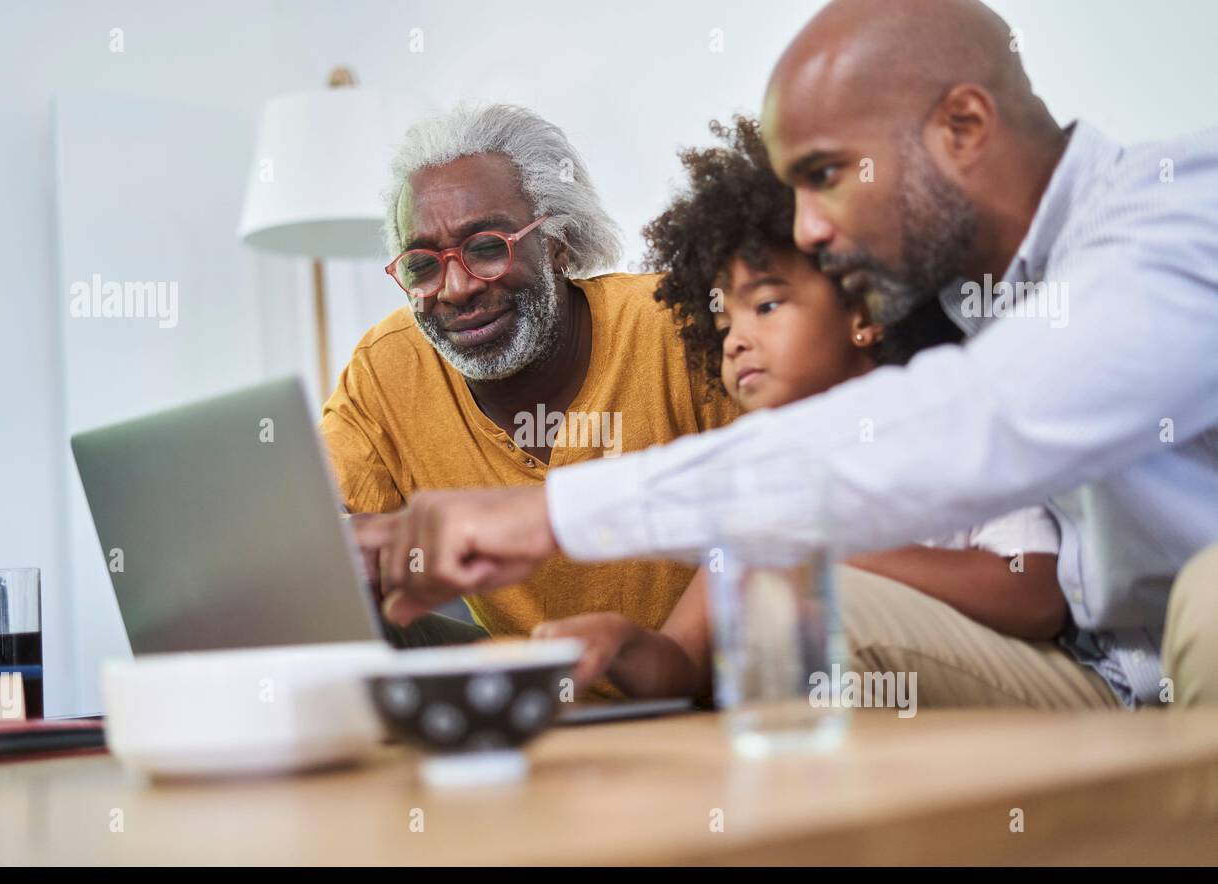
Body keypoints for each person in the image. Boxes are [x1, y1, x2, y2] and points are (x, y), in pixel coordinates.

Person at [357, 0, 1218, 708]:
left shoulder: (1179, 220)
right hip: (1107, 677)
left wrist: (550, 514)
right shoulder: (956, 297)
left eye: (829, 174)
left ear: (963, 125)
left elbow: (982, 421)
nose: (807, 226)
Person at [531, 116, 1092, 703]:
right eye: (724, 324)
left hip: (1030, 695)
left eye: (767, 305)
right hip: (894, 718)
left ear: (865, 314)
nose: (736, 341)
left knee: (801, 599)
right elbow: (684, 663)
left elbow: (1037, 597)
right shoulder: (770, 474)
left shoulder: (951, 421)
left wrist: (826, 552)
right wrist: (621, 642)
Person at [318, 103, 737, 660]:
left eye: (488, 247)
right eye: (422, 264)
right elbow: (320, 520)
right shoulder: (388, 365)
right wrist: (342, 547)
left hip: (709, 678)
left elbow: (779, 505)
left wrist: (669, 662)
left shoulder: (679, 322)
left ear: (559, 243)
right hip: (530, 683)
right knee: (336, 622)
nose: (456, 288)